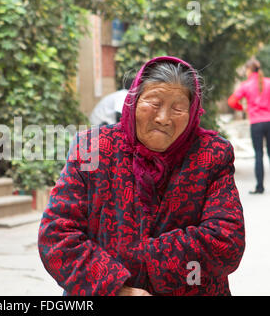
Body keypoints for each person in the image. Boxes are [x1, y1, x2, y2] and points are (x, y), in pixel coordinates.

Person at [38, 56, 245, 296]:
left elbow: (227, 241)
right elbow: (56, 234)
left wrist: (138, 255)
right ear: (134, 102)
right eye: (154, 103)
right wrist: (117, 288)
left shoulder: (211, 154)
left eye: (178, 109)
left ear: (192, 112)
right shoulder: (93, 148)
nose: (163, 118)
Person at [228, 58, 270, 194]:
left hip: (256, 124)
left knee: (259, 154)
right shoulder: (268, 82)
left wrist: (242, 108)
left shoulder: (246, 85)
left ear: (249, 70)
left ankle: (260, 187)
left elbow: (232, 101)